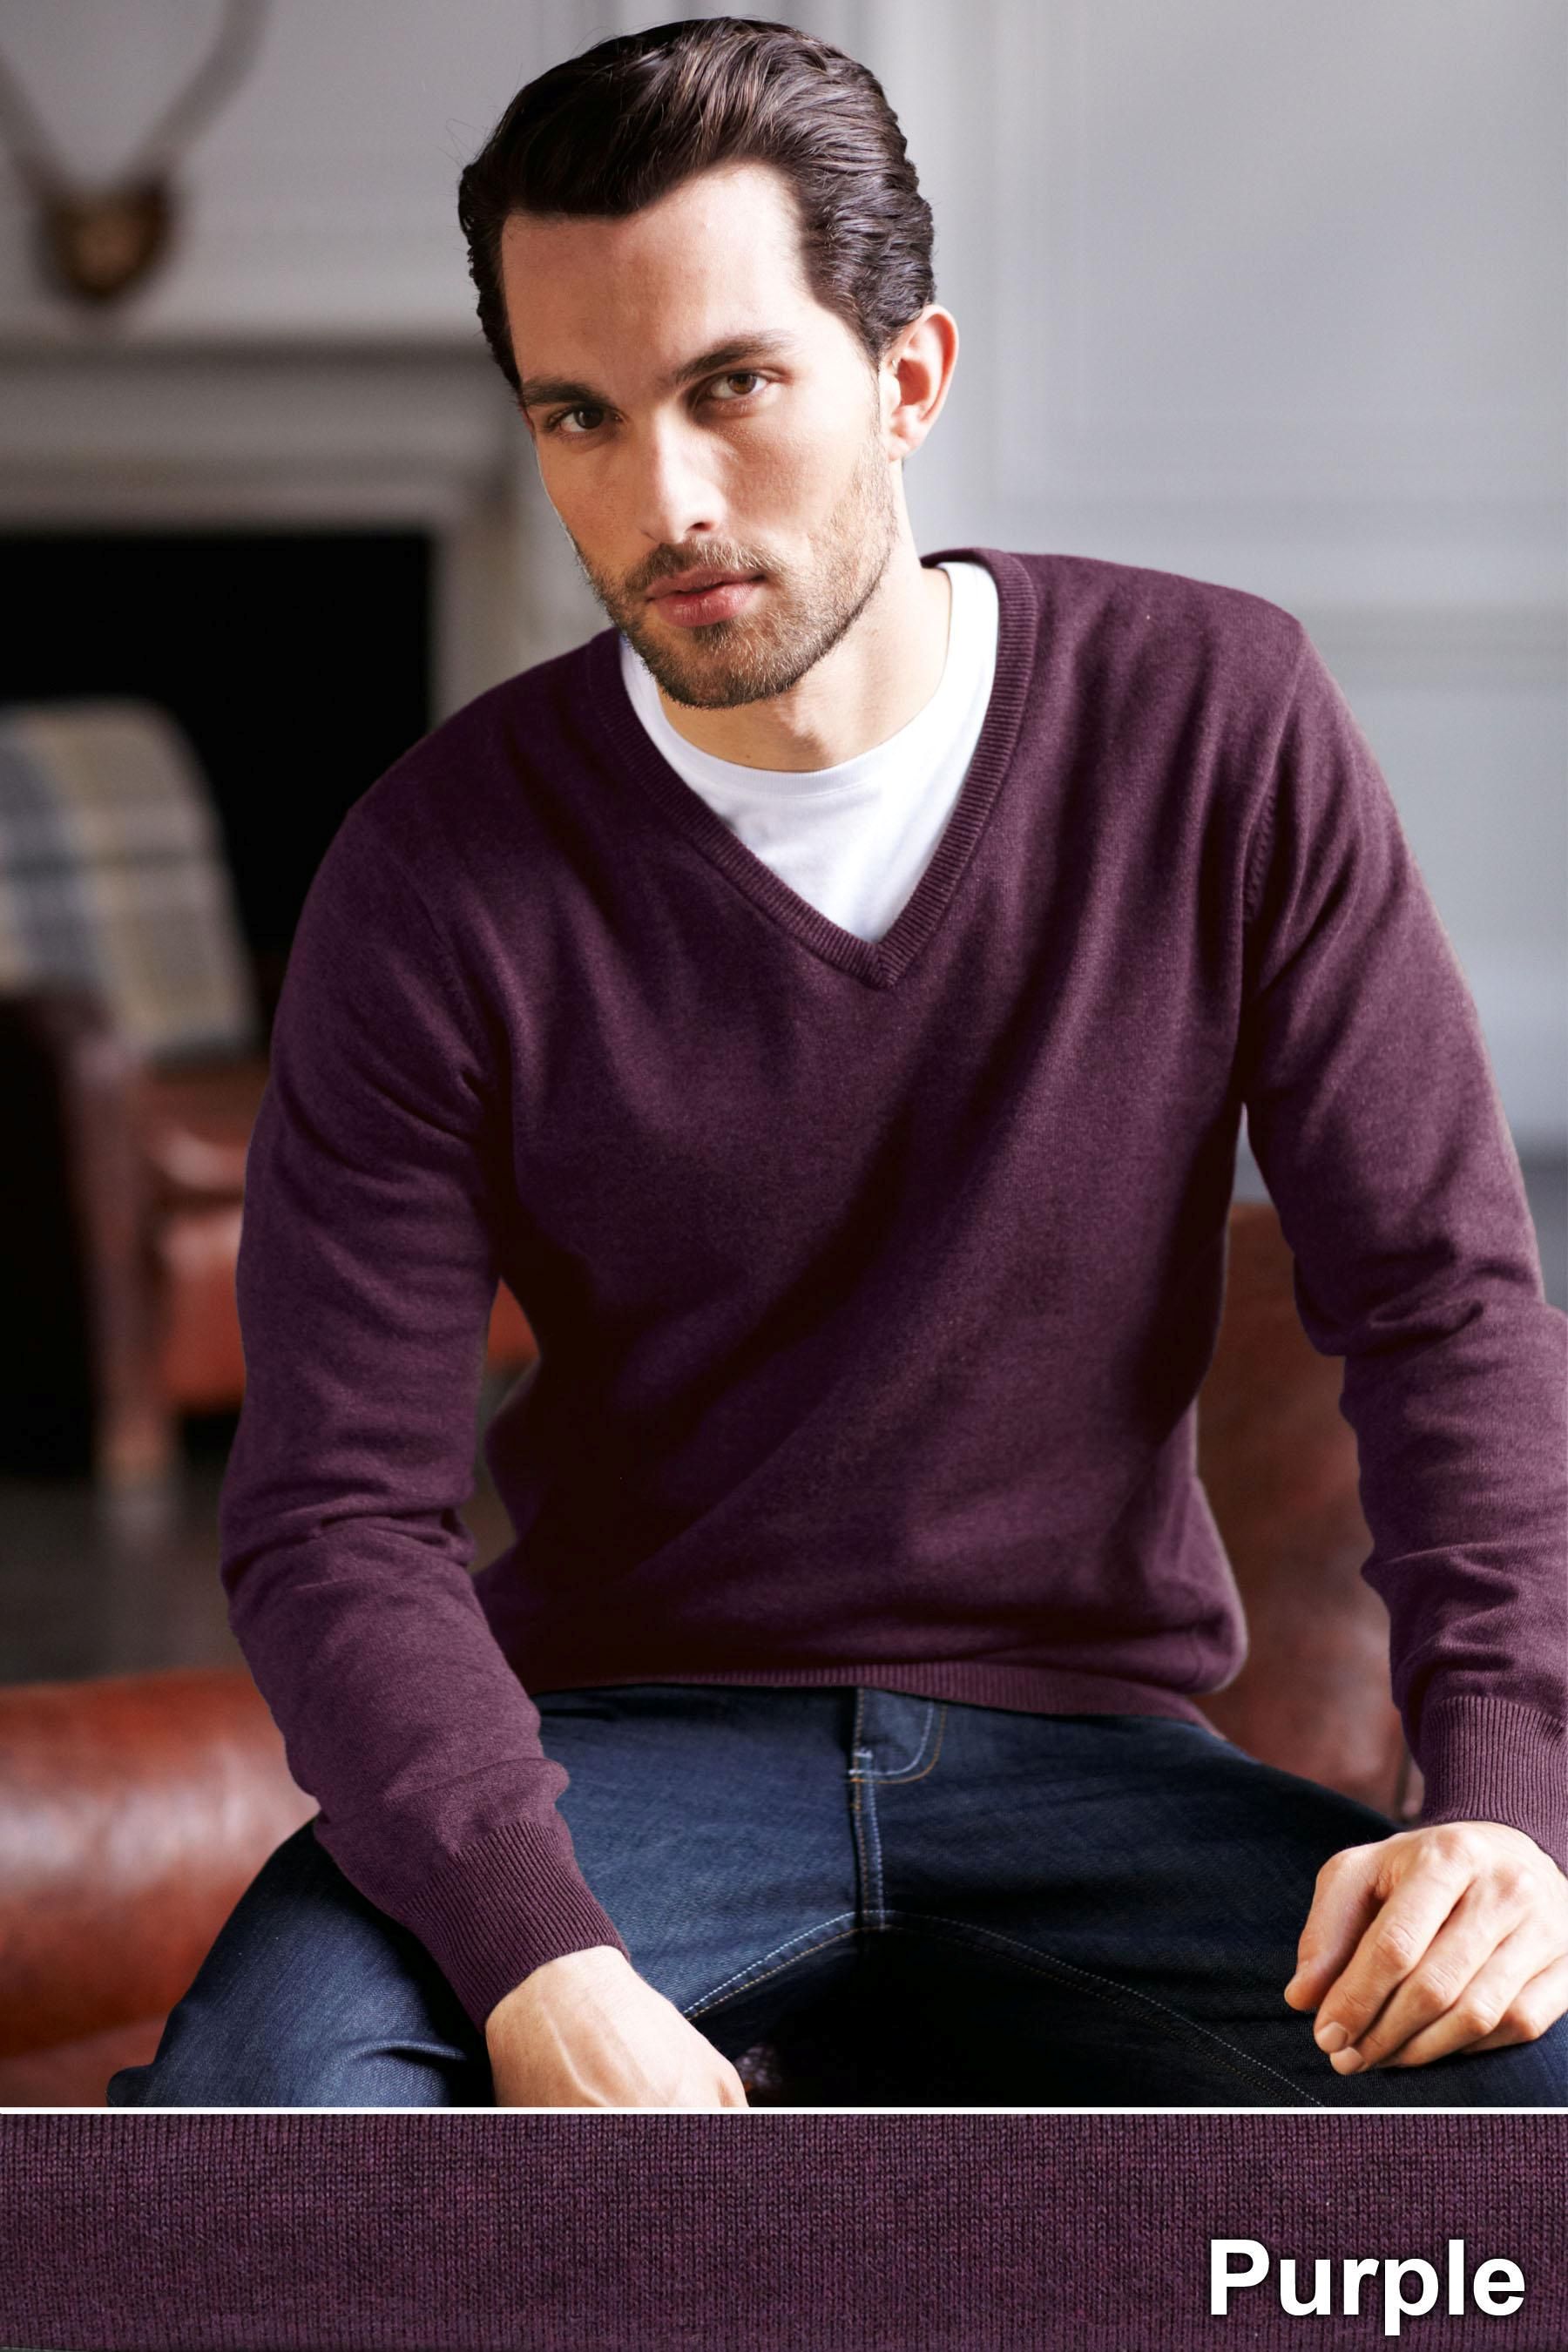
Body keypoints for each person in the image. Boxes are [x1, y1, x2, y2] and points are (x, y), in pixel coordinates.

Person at [108, 15, 1567, 2112]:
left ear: (909, 375)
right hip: (612, 1758)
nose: (665, 502)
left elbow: (1445, 1311)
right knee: (264, 2138)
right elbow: (338, 1511)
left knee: (1527, 2103)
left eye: (732, 388)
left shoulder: (1214, 720)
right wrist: (534, 1959)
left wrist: (1507, 1799)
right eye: (581, 417)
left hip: (1092, 1760)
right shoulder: (432, 867)